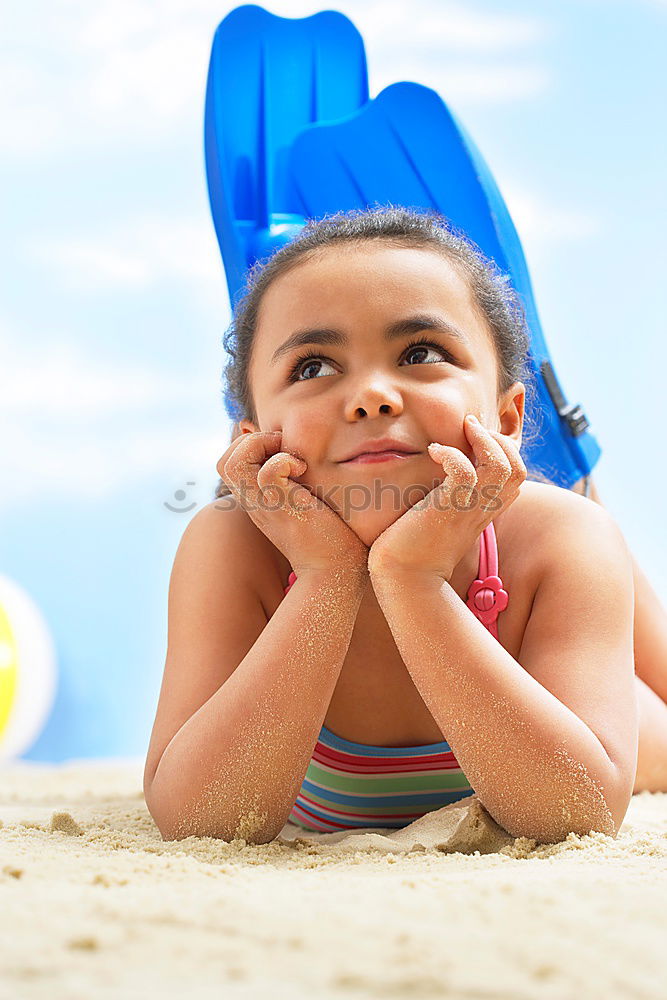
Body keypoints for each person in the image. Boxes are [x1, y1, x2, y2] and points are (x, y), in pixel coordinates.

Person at [144, 206, 666, 847]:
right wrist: (323, 575)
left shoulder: (559, 544)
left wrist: (414, 579)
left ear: (506, 418)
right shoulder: (231, 547)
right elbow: (197, 820)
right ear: (251, 439)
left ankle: (584, 491)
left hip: (558, 683)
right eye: (312, 367)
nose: (371, 395)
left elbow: (575, 815)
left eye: (421, 352)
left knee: (596, 550)